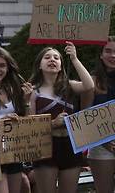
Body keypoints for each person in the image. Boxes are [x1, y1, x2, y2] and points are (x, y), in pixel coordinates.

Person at [28, 43, 94, 193]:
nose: (52, 59)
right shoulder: (33, 90)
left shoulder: (69, 86)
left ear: (60, 66)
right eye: (47, 57)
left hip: (70, 146)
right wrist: (52, 124)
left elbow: (89, 86)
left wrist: (74, 59)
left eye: (56, 58)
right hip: (46, 147)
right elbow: (30, 125)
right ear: (39, 64)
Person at [83, 36, 115, 192]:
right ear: (101, 54)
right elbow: (85, 116)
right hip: (101, 144)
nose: (113, 56)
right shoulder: (92, 81)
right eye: (108, 51)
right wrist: (101, 139)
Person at [0, 48, 34, 193]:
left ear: (8, 67)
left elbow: (25, 122)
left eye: (2, 65)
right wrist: (0, 121)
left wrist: (26, 102)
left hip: (12, 151)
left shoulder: (14, 89)